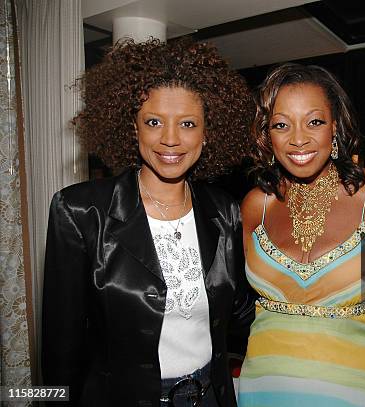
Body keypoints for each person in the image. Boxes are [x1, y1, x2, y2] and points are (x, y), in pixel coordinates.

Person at [42, 39, 255, 407]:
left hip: (210, 397)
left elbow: (241, 313)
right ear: (133, 127)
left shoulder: (224, 212)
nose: (170, 139)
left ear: (208, 132)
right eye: (154, 121)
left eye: (187, 123)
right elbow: (61, 348)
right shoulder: (80, 212)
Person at [238, 63, 365, 407]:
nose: (299, 138)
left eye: (314, 121)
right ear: (267, 134)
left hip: (354, 390)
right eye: (281, 124)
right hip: (263, 388)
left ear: (334, 127)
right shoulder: (255, 206)